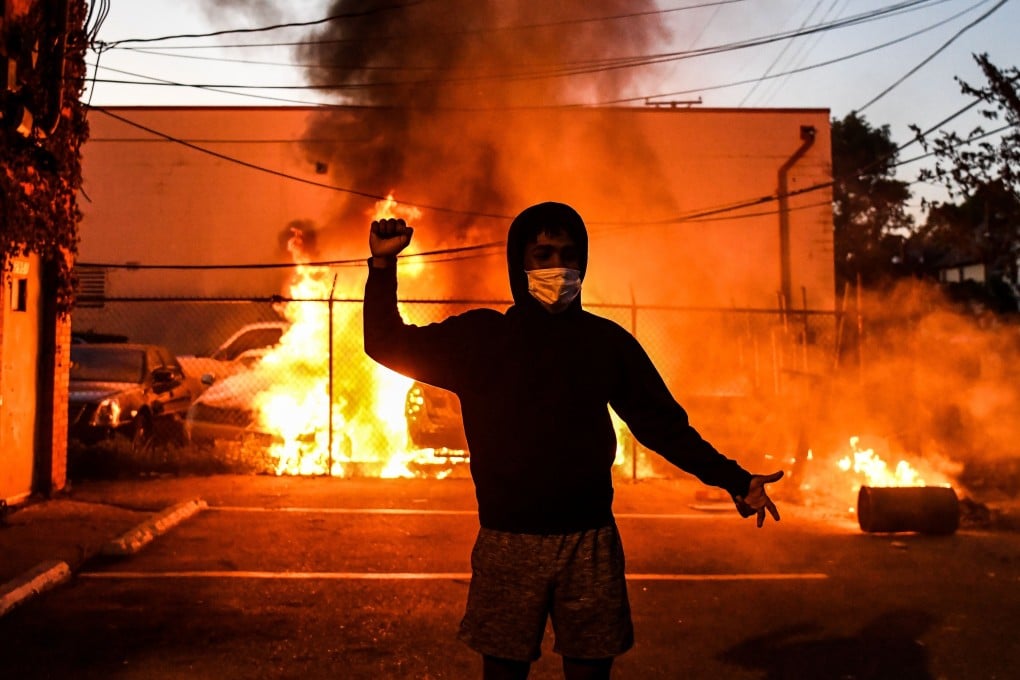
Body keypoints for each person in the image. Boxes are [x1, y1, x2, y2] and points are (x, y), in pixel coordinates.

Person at [363, 201, 783, 680]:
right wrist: (382, 265)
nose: (557, 267)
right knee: (503, 672)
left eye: (568, 254)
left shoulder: (605, 343)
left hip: (590, 542)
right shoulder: (481, 340)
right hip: (508, 543)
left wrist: (733, 478)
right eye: (543, 254)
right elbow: (387, 343)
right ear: (519, 264)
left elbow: (662, 426)